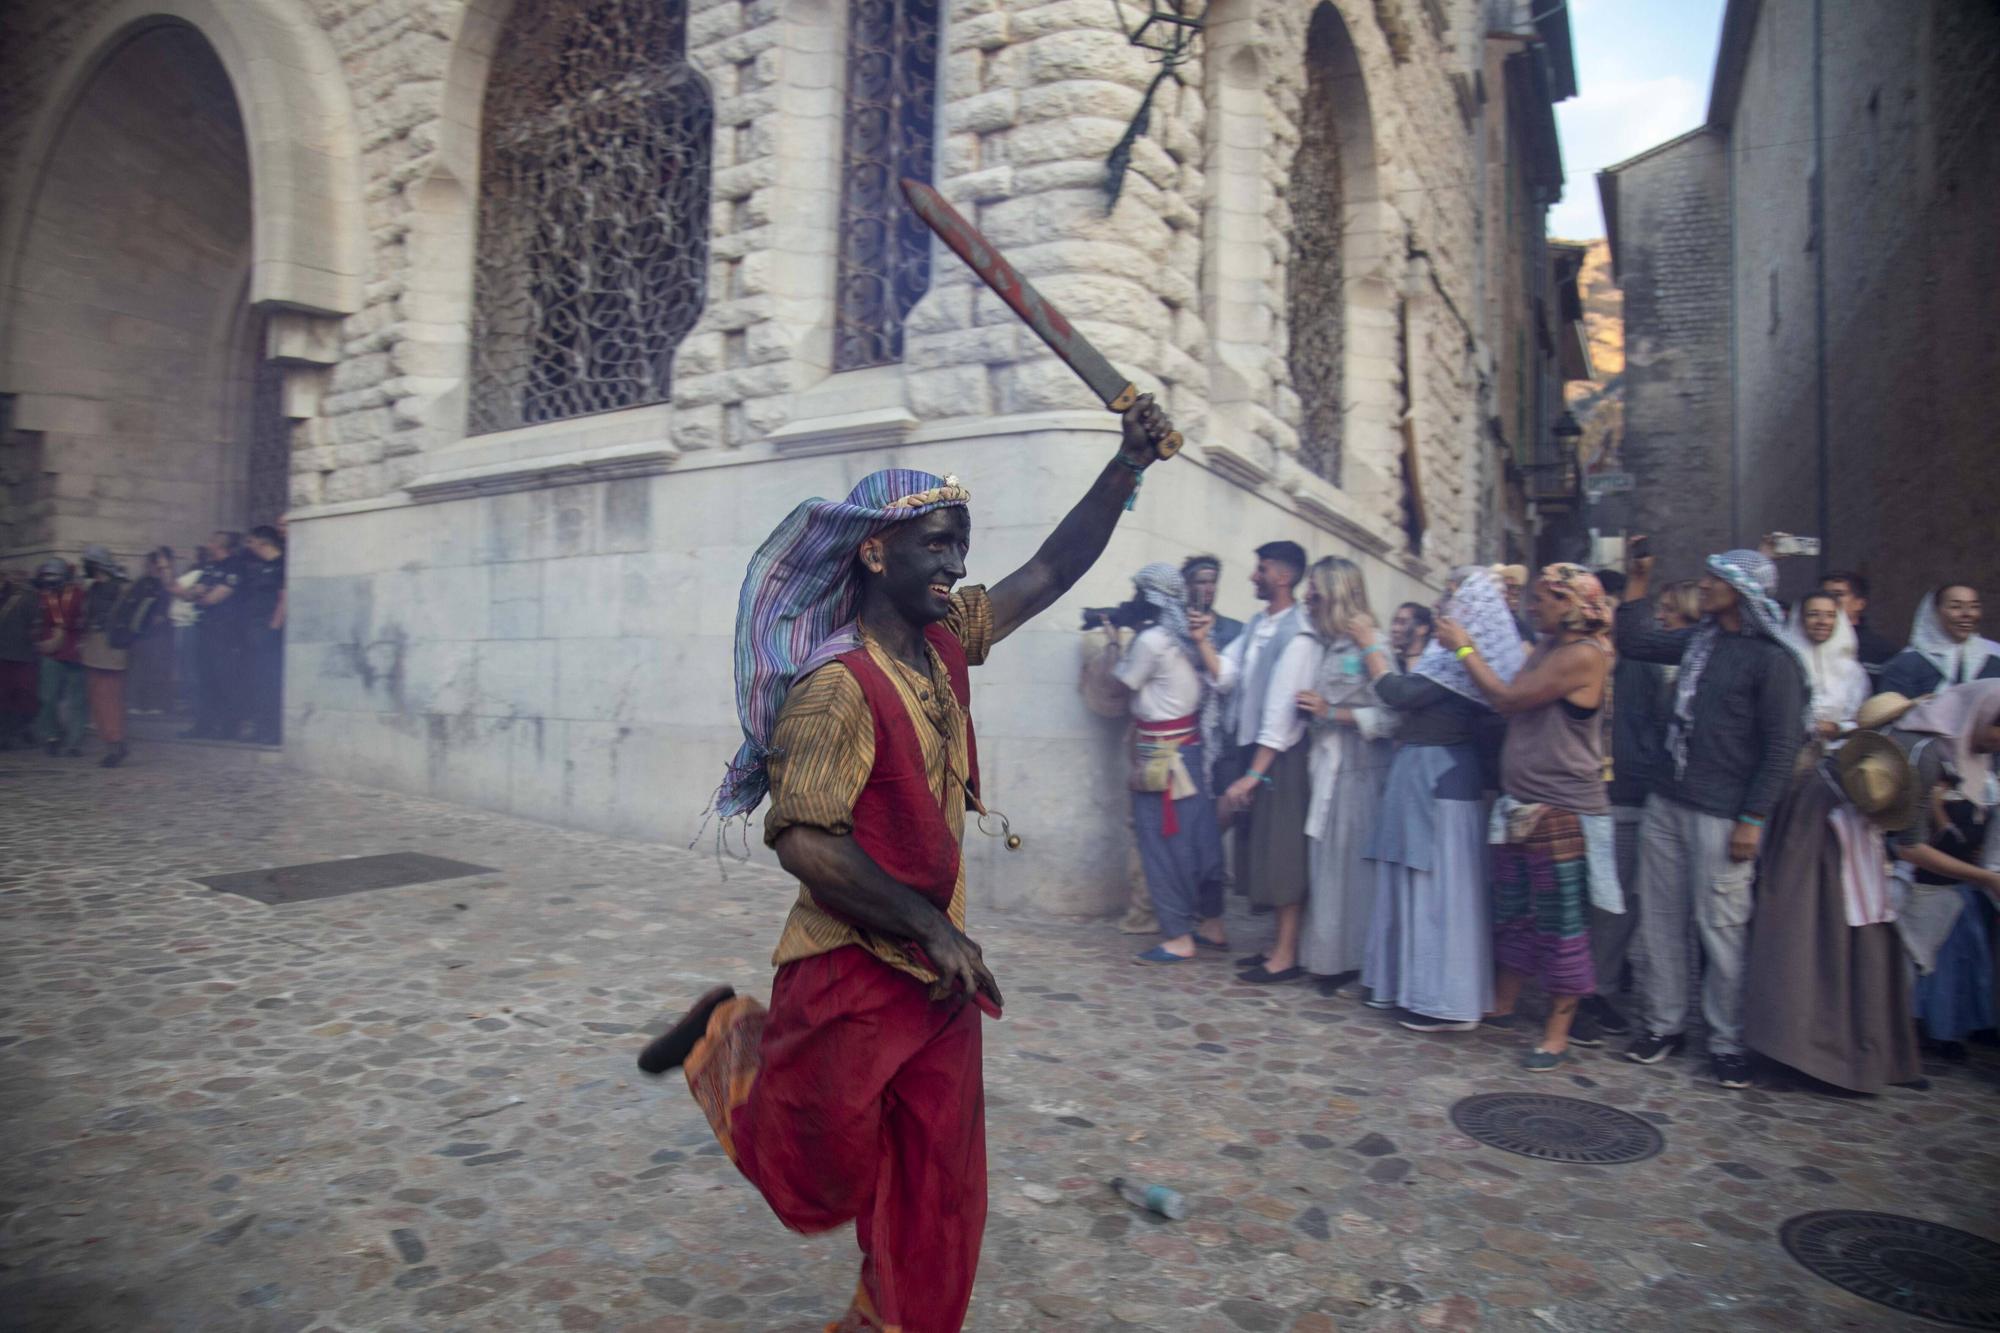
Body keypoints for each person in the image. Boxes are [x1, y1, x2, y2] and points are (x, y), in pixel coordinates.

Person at [636, 397, 1178, 1333]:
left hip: (939, 974)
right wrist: (930, 924)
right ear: (876, 553)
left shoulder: (943, 638)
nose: (958, 565)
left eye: (962, 545)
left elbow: (1049, 569)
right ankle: (722, 1039)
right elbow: (805, 841)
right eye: (937, 544)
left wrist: (1126, 464)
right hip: (849, 964)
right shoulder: (834, 689)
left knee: (940, 1178)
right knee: (819, 1173)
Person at [1614, 547, 1808, 1090]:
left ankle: (1726, 1040)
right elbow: (1634, 641)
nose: (1703, 585)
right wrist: (1638, 580)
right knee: (1659, 919)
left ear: (1742, 592)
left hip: (1725, 813)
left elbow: (1781, 746)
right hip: (1668, 800)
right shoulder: (1700, 641)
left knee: (1721, 927)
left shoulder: (1773, 661)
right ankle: (1663, 1025)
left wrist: (1753, 817)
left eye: (1714, 579)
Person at [1440, 564, 1614, 1070]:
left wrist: (1464, 647)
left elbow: (1508, 699)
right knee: (1514, 911)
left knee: (1562, 923)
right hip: (1522, 803)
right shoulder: (1549, 646)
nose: (1531, 607)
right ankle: (1505, 1000)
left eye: (1542, 599)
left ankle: (1557, 1033)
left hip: (1561, 809)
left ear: (1570, 603)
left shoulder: (1583, 655)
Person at [1364, 567, 1525, 1030]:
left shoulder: (1460, 659)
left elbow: (1398, 693)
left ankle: (1440, 998)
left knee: (1438, 888)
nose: (1442, 606)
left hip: (1441, 777)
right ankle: (1411, 986)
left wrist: (1369, 646)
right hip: (1427, 771)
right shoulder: (1449, 656)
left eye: (1451, 598)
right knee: (1418, 882)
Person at [1742, 731, 1922, 1094]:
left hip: (1852, 873)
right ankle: (1791, 1054)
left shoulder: (1865, 788)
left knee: (1858, 957)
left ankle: (1853, 1057)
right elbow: (1793, 855)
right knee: (1801, 949)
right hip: (1810, 873)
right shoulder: (1815, 788)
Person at [1082, 563, 1229, 964]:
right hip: (1193, 749)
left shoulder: (1152, 641)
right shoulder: (1191, 637)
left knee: (1161, 844)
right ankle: (1212, 924)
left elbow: (1118, 686)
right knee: (1200, 840)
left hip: (1160, 754)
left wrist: (1113, 642)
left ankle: (1179, 936)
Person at [1293, 558, 1397, 994]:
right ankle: (1329, 958)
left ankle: (1354, 962)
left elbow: (1393, 717)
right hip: (1328, 766)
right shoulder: (1329, 644)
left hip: (1359, 771)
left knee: (1351, 871)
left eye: (1315, 590)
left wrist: (1332, 712)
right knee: (1328, 866)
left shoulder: (1371, 647)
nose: (1307, 598)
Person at [1213, 541, 1313, 983]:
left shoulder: (1299, 631)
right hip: (1254, 746)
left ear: (1284, 577)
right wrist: (1200, 642)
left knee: (1283, 852)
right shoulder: (1258, 625)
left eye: (1262, 568)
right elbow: (1227, 675)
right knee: (1263, 850)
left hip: (1280, 755)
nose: (1254, 575)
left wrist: (1255, 773)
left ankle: (1286, 954)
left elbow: (1282, 708)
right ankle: (1277, 946)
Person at [1885, 681, 2000, 1062]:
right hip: (1908, 886)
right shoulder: (1928, 754)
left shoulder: (1976, 762)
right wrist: (1984, 877)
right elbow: (1909, 844)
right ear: (1979, 718)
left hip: (1948, 891)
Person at [1578, 568, 1666, 1042]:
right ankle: (1567, 989)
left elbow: (1658, 725)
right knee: (1575, 897)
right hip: (1575, 790)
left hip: (1626, 794)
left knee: (1616, 902)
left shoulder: (1642, 666)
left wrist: (1644, 771)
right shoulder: (1570, 657)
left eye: (1610, 604)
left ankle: (1599, 988)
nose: (1602, 613)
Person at [77, 545, 164, 768]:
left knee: (108, 698)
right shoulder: (96, 587)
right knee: (101, 698)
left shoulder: (119, 589)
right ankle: (113, 741)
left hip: (109, 648)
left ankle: (115, 744)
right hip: (96, 646)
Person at [1878, 584, 2000, 698]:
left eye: (1974, 607)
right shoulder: (1906, 664)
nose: (1967, 614)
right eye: (1955, 607)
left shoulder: (1993, 656)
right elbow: (1890, 714)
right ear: (1934, 613)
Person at [183, 531, 248, 740]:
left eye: (211, 540)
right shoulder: (211, 567)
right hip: (205, 628)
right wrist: (200, 595)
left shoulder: (234, 566)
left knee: (226, 679)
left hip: (226, 632)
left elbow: (213, 598)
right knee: (205, 678)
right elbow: (192, 592)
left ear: (220, 545)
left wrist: (201, 596)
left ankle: (230, 727)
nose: (208, 544)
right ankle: (204, 725)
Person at [1786, 590, 1869, 752]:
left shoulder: (1852, 670)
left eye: (1830, 615)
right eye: (1813, 614)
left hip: (1840, 755)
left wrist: (1838, 727)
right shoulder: (1785, 663)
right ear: (1800, 619)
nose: (1822, 621)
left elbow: (1861, 718)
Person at [32, 558, 86, 757]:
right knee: (48, 697)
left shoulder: (79, 594)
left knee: (77, 699)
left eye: (54, 577)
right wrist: (42, 640)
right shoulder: (45, 596)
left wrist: (69, 628)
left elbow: (85, 619)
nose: (50, 582)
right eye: (47, 577)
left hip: (74, 652)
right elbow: (40, 622)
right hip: (52, 651)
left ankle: (75, 741)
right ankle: (52, 735)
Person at [241, 526, 287, 744]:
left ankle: (272, 730)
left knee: (270, 682)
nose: (250, 547)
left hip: (270, 630)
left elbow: (283, 599)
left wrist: (274, 628)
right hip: (254, 629)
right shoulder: (258, 566)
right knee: (257, 680)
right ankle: (261, 727)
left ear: (263, 542)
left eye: (252, 542)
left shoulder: (282, 565)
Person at [129, 548, 179, 715]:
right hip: (142, 632)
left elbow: (169, 603)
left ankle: (158, 703)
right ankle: (138, 702)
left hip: (160, 633)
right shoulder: (141, 583)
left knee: (158, 669)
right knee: (140, 669)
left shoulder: (166, 584)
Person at [1819, 571, 1898, 674]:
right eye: (1824, 595)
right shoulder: (1808, 642)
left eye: (1838, 594)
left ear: (1859, 604)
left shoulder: (1880, 651)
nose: (1829, 600)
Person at [0, 569, 40, 748]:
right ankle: (7, 735)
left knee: (23, 696)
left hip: (23, 655)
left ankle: (21, 729)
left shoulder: (29, 597)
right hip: (5, 654)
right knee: (5, 696)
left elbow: (35, 626)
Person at [1389, 601, 1433, 671]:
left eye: (1402, 623)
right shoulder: (1390, 662)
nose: (1395, 629)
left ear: (1422, 629)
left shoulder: (1432, 666)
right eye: (1394, 622)